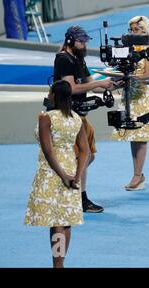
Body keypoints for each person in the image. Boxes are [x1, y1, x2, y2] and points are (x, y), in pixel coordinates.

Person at [24, 80, 89, 268]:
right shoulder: (77, 118)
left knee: (56, 222)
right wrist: (77, 175)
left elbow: (48, 151)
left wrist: (62, 175)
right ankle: (60, 263)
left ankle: (57, 265)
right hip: (70, 168)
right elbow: (85, 151)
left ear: (54, 95)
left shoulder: (45, 117)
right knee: (65, 220)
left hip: (52, 171)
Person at [53, 25, 113, 213]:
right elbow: (70, 88)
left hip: (79, 116)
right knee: (80, 156)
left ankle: (75, 192)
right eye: (81, 41)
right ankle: (79, 197)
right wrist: (98, 83)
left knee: (88, 156)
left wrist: (112, 85)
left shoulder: (78, 59)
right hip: (67, 115)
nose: (84, 44)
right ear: (70, 40)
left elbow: (90, 86)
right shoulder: (63, 59)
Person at [112, 16, 149, 191]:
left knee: (141, 135)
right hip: (128, 94)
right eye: (131, 30)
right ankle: (138, 174)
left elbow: (147, 74)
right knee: (132, 136)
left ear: (145, 30)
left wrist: (129, 77)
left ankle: (138, 175)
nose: (133, 33)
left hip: (141, 94)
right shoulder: (127, 48)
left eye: (136, 30)